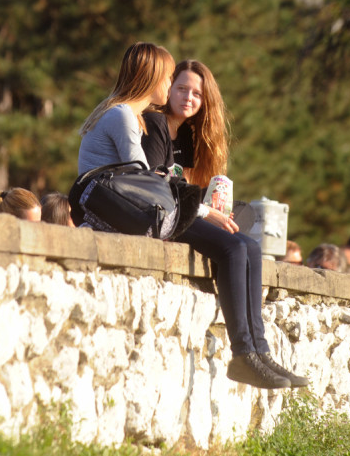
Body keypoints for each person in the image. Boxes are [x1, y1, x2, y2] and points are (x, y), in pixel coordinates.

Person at [79, 42, 306, 390]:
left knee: (247, 246)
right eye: (171, 78)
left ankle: (257, 351)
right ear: (152, 77)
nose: (173, 88)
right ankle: (245, 354)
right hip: (123, 215)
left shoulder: (128, 116)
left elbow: (153, 183)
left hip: (133, 211)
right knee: (233, 248)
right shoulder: (126, 117)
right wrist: (202, 211)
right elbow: (148, 183)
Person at [142, 59, 229, 189]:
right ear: (169, 88)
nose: (188, 97)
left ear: (205, 101)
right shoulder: (154, 121)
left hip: (174, 204)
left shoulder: (185, 132)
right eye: (182, 89)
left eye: (197, 94)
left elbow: (185, 187)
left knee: (242, 208)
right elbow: (152, 183)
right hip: (152, 204)